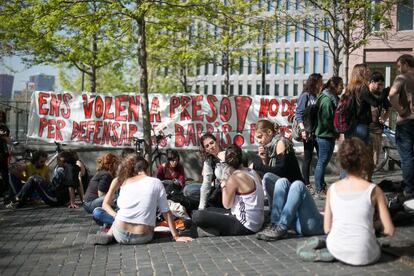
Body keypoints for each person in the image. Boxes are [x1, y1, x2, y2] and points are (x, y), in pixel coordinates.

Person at [297, 138, 395, 265]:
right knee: (373, 243)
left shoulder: (332, 190)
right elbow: (389, 230)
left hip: (337, 247)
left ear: (342, 164)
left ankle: (328, 249)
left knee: (332, 240)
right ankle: (362, 244)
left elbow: (327, 228)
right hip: (368, 254)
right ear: (364, 162)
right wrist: (373, 225)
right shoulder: (374, 190)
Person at [89, 154, 192, 245]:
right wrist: (176, 236)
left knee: (111, 214)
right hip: (143, 236)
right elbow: (166, 212)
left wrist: (116, 216)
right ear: (147, 169)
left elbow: (106, 205)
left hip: (120, 234)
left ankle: (109, 234)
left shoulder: (124, 181)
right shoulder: (155, 182)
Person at [192, 145, 264, 236]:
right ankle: (212, 230)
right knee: (209, 209)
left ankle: (214, 231)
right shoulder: (252, 172)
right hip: (256, 222)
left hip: (245, 225)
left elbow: (226, 205)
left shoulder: (235, 177)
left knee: (197, 215)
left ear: (226, 164)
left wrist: (223, 183)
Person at [250, 119, 303, 210]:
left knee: (267, 177)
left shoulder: (280, 143)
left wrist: (257, 166)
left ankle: (275, 213)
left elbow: (280, 171)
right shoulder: (271, 146)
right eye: (257, 138)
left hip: (293, 184)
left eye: (260, 137)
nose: (258, 141)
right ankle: (273, 211)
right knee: (264, 177)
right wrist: (264, 159)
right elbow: (272, 169)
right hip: (284, 182)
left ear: (269, 132)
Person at [10, 151, 84, 208]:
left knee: (33, 178)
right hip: (56, 194)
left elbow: (71, 186)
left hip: (56, 199)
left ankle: (17, 199)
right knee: (34, 178)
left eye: (58, 160)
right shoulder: (70, 168)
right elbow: (78, 184)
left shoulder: (69, 169)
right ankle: (20, 201)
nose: (57, 163)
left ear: (62, 159)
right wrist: (82, 200)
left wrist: (72, 203)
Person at [389, 54, 414, 199]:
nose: (398, 69)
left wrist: (399, 110)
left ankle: (410, 190)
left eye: (399, 66)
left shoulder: (402, 78)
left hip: (406, 122)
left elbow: (391, 95)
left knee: (407, 157)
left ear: (405, 64)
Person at [341, 64, 386, 145]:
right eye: (366, 71)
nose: (369, 72)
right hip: (360, 125)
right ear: (361, 73)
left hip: (350, 124)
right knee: (361, 152)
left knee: (351, 152)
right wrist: (384, 93)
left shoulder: (350, 87)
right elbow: (375, 103)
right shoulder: (362, 87)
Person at [314, 77, 343, 199]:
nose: (342, 88)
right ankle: (319, 189)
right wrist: (336, 131)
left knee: (323, 161)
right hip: (325, 135)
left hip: (326, 134)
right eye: (341, 85)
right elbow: (326, 120)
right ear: (335, 86)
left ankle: (321, 187)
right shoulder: (327, 100)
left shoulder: (329, 97)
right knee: (322, 162)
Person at [294, 73, 323, 192]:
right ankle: (306, 183)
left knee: (321, 158)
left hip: (317, 132)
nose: (321, 83)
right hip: (308, 131)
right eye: (320, 81)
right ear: (314, 82)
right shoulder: (305, 96)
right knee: (308, 157)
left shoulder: (315, 95)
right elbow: (298, 113)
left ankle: (320, 183)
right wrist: (302, 130)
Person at [182, 133, 225, 210]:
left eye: (212, 143)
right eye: (207, 146)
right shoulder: (208, 161)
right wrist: (201, 208)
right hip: (217, 190)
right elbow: (206, 185)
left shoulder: (227, 155)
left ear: (217, 142)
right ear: (205, 150)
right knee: (188, 190)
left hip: (228, 191)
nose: (211, 147)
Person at [368, 72, 390, 167]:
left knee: (374, 160)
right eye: (379, 84)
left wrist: (384, 117)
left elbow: (388, 109)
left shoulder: (381, 95)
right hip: (365, 129)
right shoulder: (365, 93)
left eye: (382, 85)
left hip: (377, 130)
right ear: (372, 82)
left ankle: (369, 179)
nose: (380, 87)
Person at [0, 111, 10, 197]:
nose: (0, 118)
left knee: (4, 172)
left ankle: (5, 190)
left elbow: (7, 138)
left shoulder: (4, 127)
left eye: (2, 117)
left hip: (2, 152)